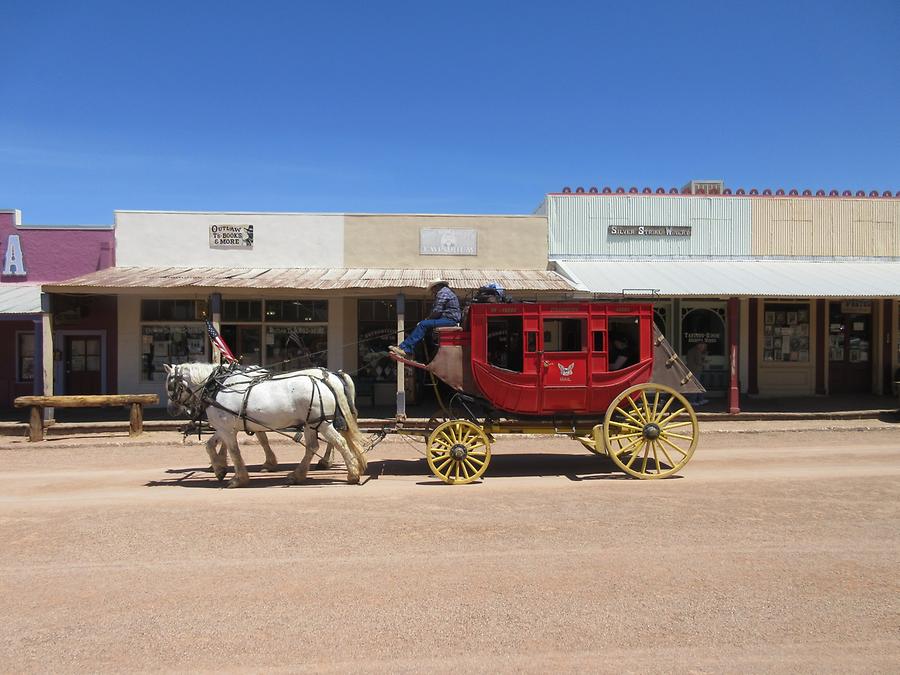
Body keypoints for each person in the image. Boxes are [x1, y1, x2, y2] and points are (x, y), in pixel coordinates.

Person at [390, 279, 461, 358]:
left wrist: (426, 320)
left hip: (449, 320)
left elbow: (437, 311)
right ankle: (419, 353)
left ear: (436, 286)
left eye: (432, 289)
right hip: (448, 319)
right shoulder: (446, 291)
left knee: (423, 325)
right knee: (426, 328)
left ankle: (405, 348)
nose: (432, 292)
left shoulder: (442, 293)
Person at [685, 341, 709, 406]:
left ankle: (700, 399)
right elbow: (698, 362)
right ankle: (692, 401)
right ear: (700, 345)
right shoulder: (697, 351)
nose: (704, 348)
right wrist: (705, 362)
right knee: (696, 385)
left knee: (697, 385)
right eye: (704, 346)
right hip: (695, 370)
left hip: (691, 370)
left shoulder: (691, 350)